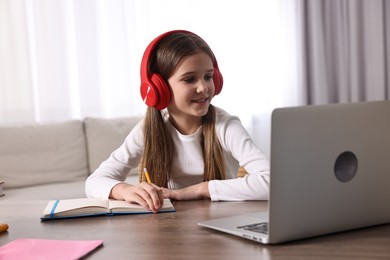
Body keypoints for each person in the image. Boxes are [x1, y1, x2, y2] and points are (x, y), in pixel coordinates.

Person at [85, 30, 270, 213]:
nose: (203, 87)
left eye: (208, 76)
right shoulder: (148, 129)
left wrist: (197, 190)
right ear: (159, 88)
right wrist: (125, 190)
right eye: (189, 79)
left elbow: (272, 181)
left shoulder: (225, 126)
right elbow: (94, 182)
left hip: (219, 221)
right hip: (166, 228)